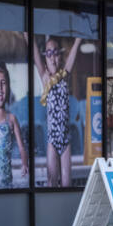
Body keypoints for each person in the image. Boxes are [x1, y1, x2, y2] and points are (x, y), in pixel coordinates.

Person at [34, 35, 82, 187]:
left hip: (66, 139)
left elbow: (73, 56)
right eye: (48, 53)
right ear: (45, 59)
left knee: (67, 183)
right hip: (52, 140)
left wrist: (78, 41)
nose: (52, 57)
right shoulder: (45, 79)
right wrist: (28, 38)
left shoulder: (64, 76)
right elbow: (34, 55)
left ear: (60, 57)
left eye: (55, 53)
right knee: (51, 181)